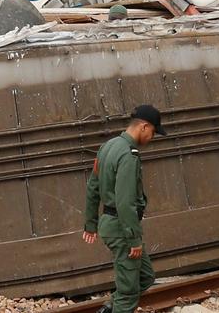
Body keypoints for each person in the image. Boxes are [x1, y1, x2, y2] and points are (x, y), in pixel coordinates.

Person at [82, 105, 168, 313]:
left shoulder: (107, 146)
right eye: (153, 133)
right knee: (129, 293)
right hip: (122, 229)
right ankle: (118, 306)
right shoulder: (128, 155)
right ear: (144, 127)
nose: (152, 138)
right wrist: (133, 239)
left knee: (145, 276)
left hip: (111, 225)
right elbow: (125, 201)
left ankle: (109, 308)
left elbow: (93, 187)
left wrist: (91, 224)